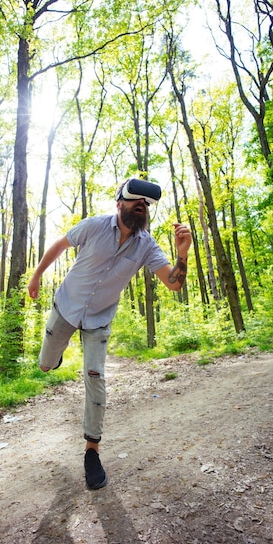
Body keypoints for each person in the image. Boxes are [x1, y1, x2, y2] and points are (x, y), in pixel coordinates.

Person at [27, 178, 192, 490]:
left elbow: (174, 283)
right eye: (134, 201)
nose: (140, 205)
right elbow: (60, 245)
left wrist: (182, 253)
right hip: (66, 307)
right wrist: (36, 277)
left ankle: (92, 451)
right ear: (119, 204)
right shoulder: (94, 226)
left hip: (98, 321)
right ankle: (56, 354)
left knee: (95, 376)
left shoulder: (147, 246)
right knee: (45, 364)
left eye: (145, 203)